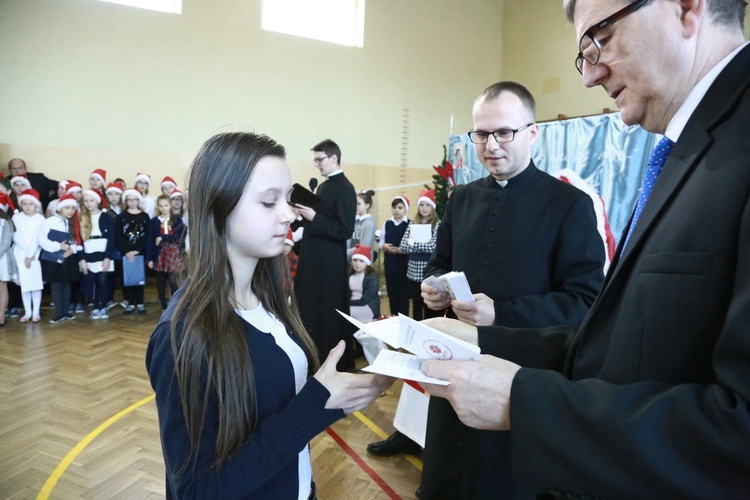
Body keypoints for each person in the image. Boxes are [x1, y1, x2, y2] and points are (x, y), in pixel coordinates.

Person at [420, 0, 750, 497]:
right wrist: (477, 341)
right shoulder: (686, 150)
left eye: (601, 37)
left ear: (685, 7)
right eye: (584, 52)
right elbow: (617, 343)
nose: (589, 75)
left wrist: (524, 402)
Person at [145, 131, 392, 499]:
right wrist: (314, 405)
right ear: (219, 207)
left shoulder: (271, 300)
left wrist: (332, 399)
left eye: (288, 200)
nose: (288, 214)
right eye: (268, 202)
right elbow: (196, 491)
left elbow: (275, 417)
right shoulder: (183, 334)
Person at [293, 139, 357, 370]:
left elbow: (344, 230)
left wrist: (314, 217)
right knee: (310, 309)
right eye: (315, 160)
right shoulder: (324, 186)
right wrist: (303, 214)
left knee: (326, 313)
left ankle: (330, 361)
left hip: (328, 266)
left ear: (333, 158)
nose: (317, 165)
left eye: (319, 160)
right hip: (313, 262)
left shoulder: (345, 188)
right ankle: (311, 355)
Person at [40, 194, 82, 324]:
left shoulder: (74, 223)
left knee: (67, 284)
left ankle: (66, 311)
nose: (70, 211)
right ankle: (59, 312)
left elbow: (78, 241)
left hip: (69, 258)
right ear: (60, 208)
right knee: (57, 286)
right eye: (67, 208)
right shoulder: (49, 222)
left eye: (72, 208)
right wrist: (59, 246)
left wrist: (71, 250)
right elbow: (42, 240)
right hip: (54, 258)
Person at [398, 189, 440, 321]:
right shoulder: (412, 223)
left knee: (429, 305)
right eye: (421, 205)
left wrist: (412, 243)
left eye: (427, 205)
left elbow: (433, 247)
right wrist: (414, 245)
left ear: (432, 206)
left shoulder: (437, 225)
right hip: (413, 273)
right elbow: (402, 246)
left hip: (429, 272)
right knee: (416, 305)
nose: (424, 208)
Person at [79, 189, 116, 319]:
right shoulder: (82, 218)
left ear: (97, 201)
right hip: (89, 250)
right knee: (92, 280)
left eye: (91, 200)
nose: (89, 203)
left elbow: (111, 239)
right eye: (86, 201)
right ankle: (96, 306)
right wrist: (82, 259)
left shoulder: (106, 216)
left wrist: (107, 257)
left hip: (103, 250)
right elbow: (79, 241)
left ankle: (103, 306)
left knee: (103, 280)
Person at [146, 194, 185, 311]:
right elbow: (150, 241)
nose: (163, 208)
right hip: (160, 255)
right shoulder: (154, 222)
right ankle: (164, 305)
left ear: (170, 205)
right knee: (161, 279)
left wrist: (163, 238)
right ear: (158, 207)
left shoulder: (177, 220)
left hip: (174, 254)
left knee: (173, 280)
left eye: (166, 205)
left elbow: (179, 238)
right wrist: (149, 259)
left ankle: (174, 305)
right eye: (161, 206)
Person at [12, 189, 46, 323]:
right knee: (25, 285)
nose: (27, 207)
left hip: (35, 255)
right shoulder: (16, 218)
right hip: (20, 254)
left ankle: (36, 312)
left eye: (30, 204)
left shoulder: (40, 219)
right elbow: (16, 236)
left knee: (35, 284)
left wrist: (31, 255)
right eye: (24, 204)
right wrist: (26, 254)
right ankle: (27, 312)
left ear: (36, 205)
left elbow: (38, 238)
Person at [115, 188, 150, 315]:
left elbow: (147, 236)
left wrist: (138, 250)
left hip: (140, 253)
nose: (132, 202)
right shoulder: (121, 217)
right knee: (127, 279)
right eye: (129, 200)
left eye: (135, 199)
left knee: (139, 278)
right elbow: (118, 236)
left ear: (138, 200)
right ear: (126, 201)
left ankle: (140, 303)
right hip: (126, 253)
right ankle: (130, 303)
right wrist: (126, 252)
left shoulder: (144, 216)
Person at [379, 195, 410, 316]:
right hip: (390, 263)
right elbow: (381, 243)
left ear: (405, 209)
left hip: (404, 264)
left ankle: (404, 318)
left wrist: (400, 250)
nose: (396, 210)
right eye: (394, 207)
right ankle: (393, 317)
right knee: (392, 293)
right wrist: (384, 246)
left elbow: (412, 247)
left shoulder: (410, 224)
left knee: (403, 294)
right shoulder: (387, 223)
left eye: (400, 207)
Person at [348, 244, 380, 323]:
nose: (357, 264)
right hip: (352, 303)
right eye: (355, 260)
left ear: (367, 263)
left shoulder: (371, 278)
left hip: (367, 306)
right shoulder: (349, 275)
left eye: (361, 261)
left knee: (350, 313)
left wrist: (346, 303)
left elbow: (365, 300)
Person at [0, 193, 18, 326]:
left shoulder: (5, 222)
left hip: (1, 258)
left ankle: (1, 316)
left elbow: (5, 243)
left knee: (2, 286)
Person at [347, 189, 376, 262]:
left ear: (367, 205)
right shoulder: (353, 220)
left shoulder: (369, 222)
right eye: (355, 203)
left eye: (359, 204)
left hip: (362, 261)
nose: (356, 206)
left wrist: (346, 252)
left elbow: (364, 247)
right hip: (351, 259)